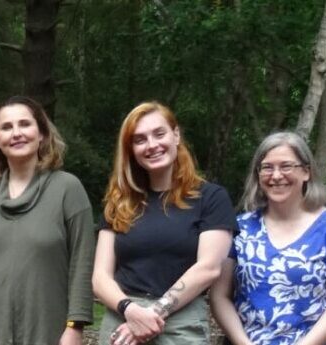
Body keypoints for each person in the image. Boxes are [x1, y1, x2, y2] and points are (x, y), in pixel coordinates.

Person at [0, 96, 95, 345]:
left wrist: (74, 326)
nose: (16, 133)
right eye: (6, 127)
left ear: (42, 134)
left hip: (46, 328)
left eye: (25, 124)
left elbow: (82, 262)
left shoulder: (68, 189)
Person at [93, 101, 236, 345]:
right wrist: (130, 310)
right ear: (131, 150)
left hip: (182, 323)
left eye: (159, 134)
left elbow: (209, 268)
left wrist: (154, 313)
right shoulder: (119, 202)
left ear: (176, 135)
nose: (152, 145)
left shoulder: (211, 198)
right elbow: (100, 277)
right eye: (139, 139)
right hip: (122, 320)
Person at [209, 132, 326, 345]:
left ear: (306, 172)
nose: (276, 175)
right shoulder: (240, 228)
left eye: (286, 166)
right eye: (267, 167)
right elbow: (219, 296)